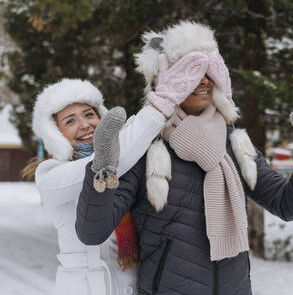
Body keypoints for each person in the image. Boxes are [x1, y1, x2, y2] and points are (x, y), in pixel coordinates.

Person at [75, 21, 293, 295]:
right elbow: (92, 232)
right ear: (166, 81)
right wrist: (101, 168)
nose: (202, 80)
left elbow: (289, 206)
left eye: (208, 70)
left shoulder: (233, 144)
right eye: (189, 71)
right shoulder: (146, 149)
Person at [26, 75, 207, 295]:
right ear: (55, 134)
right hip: (86, 287)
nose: (84, 125)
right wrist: (157, 108)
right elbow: (102, 167)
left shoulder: (129, 165)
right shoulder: (50, 175)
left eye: (89, 114)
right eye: (70, 121)